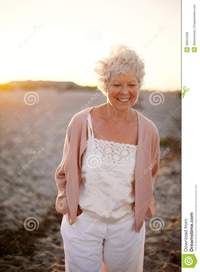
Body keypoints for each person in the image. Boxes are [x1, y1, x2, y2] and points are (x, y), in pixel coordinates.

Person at [55, 45, 160, 272]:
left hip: (126, 224)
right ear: (105, 86)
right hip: (84, 221)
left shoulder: (149, 130)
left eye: (131, 85)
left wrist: (142, 207)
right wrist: (69, 205)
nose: (125, 91)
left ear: (139, 85)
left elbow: (150, 174)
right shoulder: (82, 122)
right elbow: (65, 169)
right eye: (117, 84)